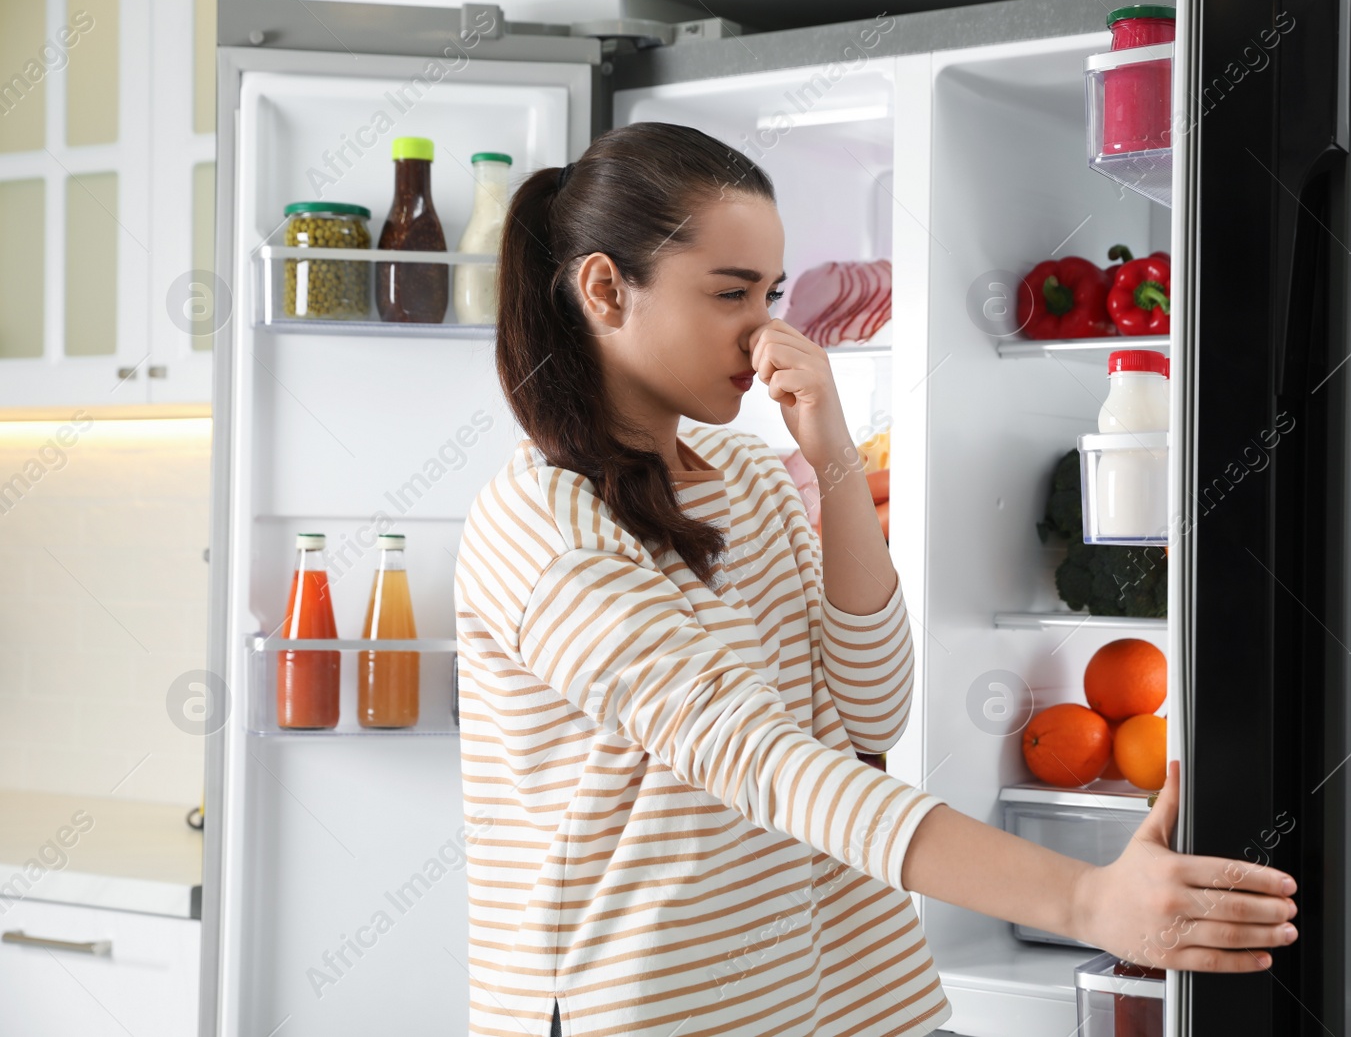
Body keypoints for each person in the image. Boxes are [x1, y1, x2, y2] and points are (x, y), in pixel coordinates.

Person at [453, 122, 1298, 1037]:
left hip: (850, 996)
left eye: (772, 293)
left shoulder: (743, 474)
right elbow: (761, 761)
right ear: (607, 290)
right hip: (652, 1006)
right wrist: (1089, 902)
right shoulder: (542, 532)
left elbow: (868, 711)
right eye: (731, 293)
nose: (766, 327)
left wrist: (833, 459)